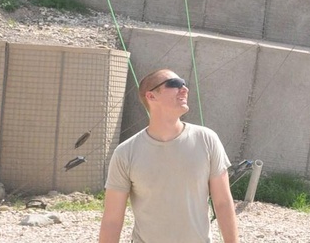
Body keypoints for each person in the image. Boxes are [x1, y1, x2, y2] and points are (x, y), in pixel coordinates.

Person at [98, 69, 239, 243]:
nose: (184, 89)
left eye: (184, 84)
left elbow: (223, 203)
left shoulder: (207, 140)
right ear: (151, 96)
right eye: (175, 84)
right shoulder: (125, 152)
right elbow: (112, 220)